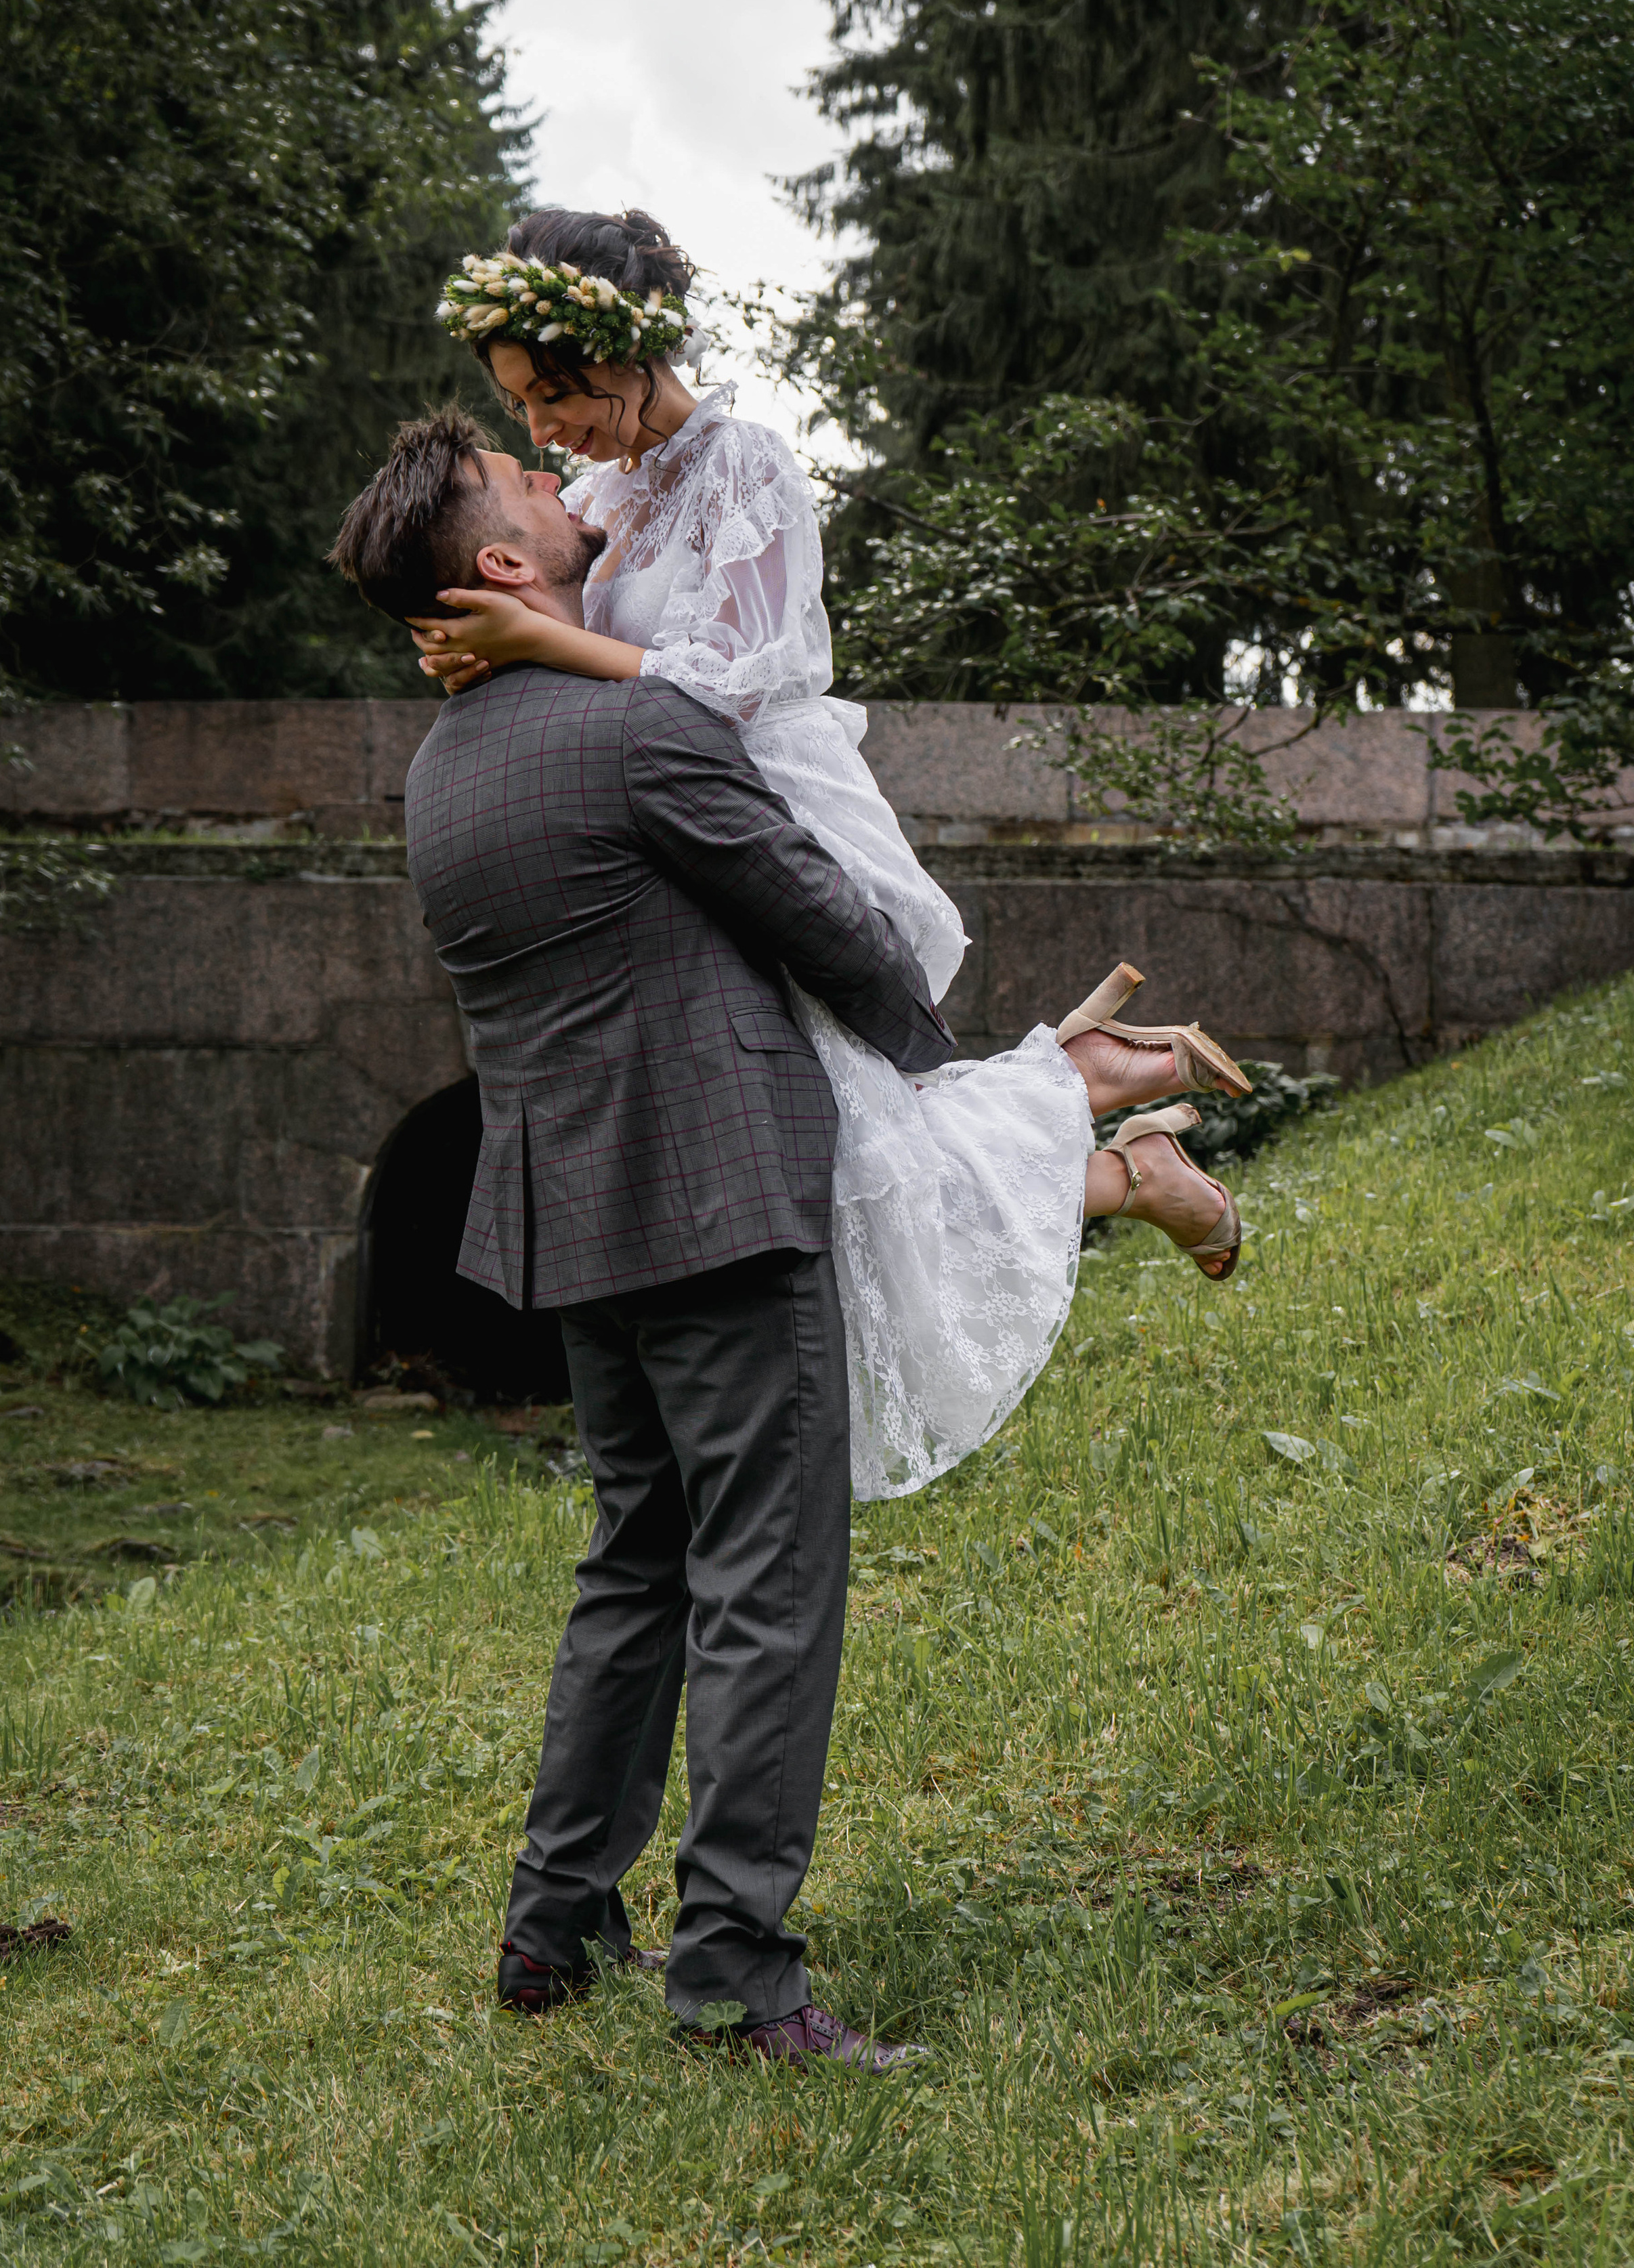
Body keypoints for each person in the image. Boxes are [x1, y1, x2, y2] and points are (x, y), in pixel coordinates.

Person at [413, 209, 1251, 1502]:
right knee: (849, 1157)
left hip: (776, 815)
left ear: (627, 355)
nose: (541, 430)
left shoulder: (743, 464)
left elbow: (740, 683)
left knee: (850, 1159)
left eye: (555, 394)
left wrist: (546, 646)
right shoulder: (593, 500)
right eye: (519, 404)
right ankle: (1115, 1143)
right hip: (672, 846)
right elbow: (549, 621)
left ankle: (1100, 1118)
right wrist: (478, 646)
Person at [331, 410, 958, 2068]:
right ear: (503, 562)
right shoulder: (636, 728)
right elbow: (818, 915)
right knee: (764, 1576)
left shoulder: (441, 771)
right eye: (529, 483)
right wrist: (945, 1061)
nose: (561, 482)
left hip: (571, 1218)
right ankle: (737, 1977)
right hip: (721, 1202)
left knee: (636, 1561)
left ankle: (552, 1928)